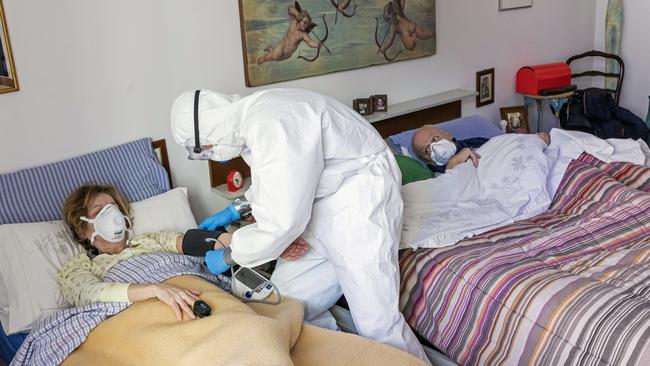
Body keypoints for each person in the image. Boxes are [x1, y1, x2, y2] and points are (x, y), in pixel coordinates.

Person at [170, 88, 430, 363]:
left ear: (210, 127)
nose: (209, 154)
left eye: (201, 149)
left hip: (359, 205)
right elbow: (280, 181)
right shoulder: (253, 121)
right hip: (324, 207)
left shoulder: (273, 122)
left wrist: (229, 254)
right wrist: (237, 208)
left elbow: (282, 222)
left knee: (376, 321)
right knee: (282, 300)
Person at [58, 183, 235, 321]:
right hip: (150, 311)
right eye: (99, 211)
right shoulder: (80, 266)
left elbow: (191, 243)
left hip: (199, 292)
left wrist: (241, 241)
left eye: (113, 207)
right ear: (81, 230)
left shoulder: (149, 240)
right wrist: (155, 290)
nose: (111, 215)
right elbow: (91, 294)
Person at [411, 125, 551, 173]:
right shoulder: (436, 170)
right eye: (427, 150)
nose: (434, 147)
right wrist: (455, 161)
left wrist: (530, 139)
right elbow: (448, 182)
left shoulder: (474, 141)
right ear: (428, 161)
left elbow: (502, 144)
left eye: (435, 139)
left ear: (448, 135)